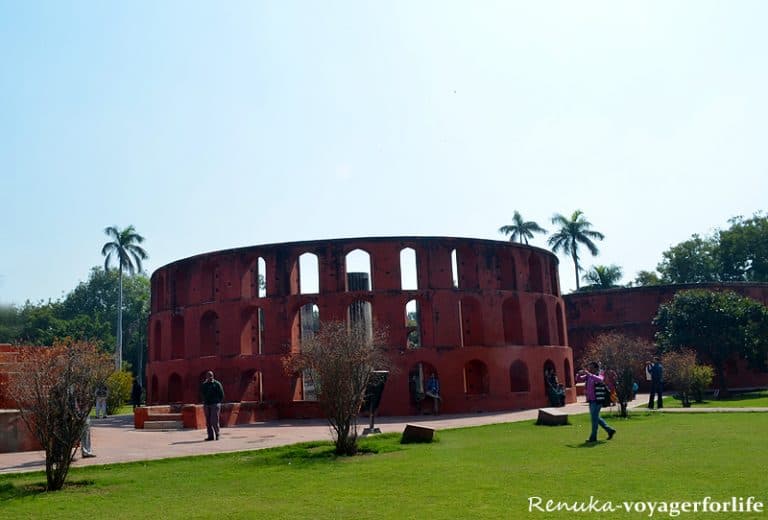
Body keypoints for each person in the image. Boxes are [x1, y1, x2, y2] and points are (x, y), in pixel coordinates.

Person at [576, 361, 616, 443]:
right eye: (589, 367)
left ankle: (593, 437)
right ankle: (610, 430)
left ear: (596, 368)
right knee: (596, 418)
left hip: (598, 400)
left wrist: (588, 374)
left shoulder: (599, 375)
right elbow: (578, 379)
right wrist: (578, 374)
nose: (589, 369)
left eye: (591, 367)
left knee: (594, 419)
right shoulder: (588, 376)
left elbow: (600, 380)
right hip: (591, 400)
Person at [200, 370, 225, 441]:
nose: (210, 377)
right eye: (208, 376)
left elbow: (222, 394)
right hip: (207, 404)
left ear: (213, 376)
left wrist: (218, 402)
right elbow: (202, 393)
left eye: (211, 376)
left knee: (214, 420)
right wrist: (204, 401)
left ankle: (217, 434)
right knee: (208, 421)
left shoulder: (217, 384)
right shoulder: (204, 384)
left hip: (215, 404)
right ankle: (210, 436)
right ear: (206, 377)